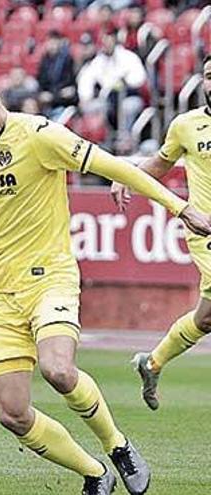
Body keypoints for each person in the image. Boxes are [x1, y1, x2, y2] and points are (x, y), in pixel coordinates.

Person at [0, 56, 211, 495]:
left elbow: (113, 166)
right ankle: (95, 474)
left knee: (58, 370)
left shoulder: (40, 136)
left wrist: (180, 207)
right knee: (13, 413)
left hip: (49, 278)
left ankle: (118, 445)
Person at [110, 54, 211, 412]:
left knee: (206, 318)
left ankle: (151, 363)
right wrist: (128, 177)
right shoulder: (186, 125)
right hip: (204, 228)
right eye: (209, 76)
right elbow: (161, 163)